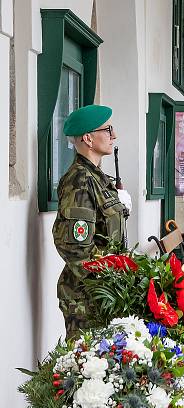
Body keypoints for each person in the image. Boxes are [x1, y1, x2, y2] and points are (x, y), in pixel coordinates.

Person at [53, 104, 128, 339]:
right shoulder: (80, 181)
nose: (113, 135)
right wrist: (107, 280)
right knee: (87, 367)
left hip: (105, 291)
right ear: (88, 138)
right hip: (88, 296)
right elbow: (76, 248)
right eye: (107, 130)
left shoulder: (97, 178)